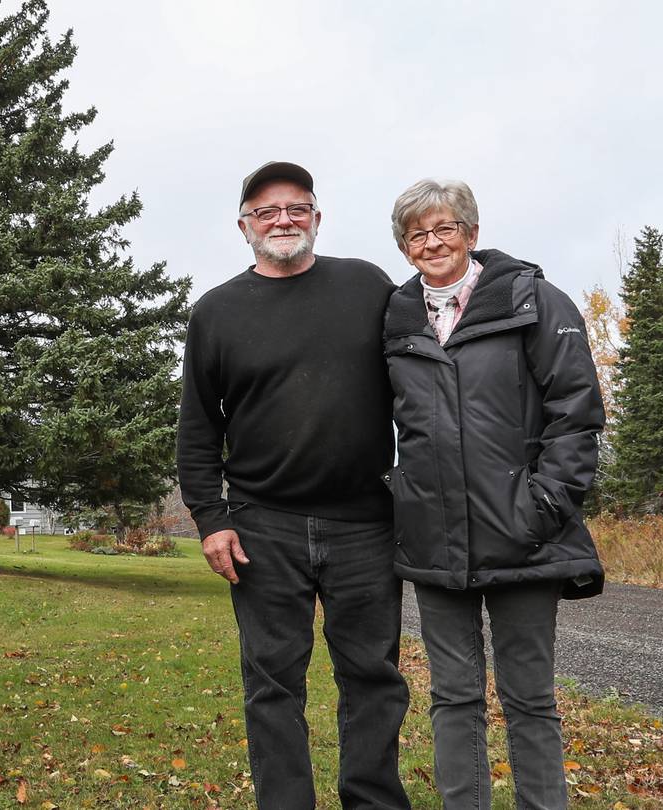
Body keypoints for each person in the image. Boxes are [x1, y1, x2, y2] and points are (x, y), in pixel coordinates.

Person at [177, 161, 410, 810]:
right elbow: (197, 430)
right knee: (273, 685)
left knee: (373, 679)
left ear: (316, 217)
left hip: (366, 522)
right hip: (262, 527)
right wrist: (210, 518)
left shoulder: (366, 286)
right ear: (244, 226)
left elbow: (422, 377)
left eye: (296, 208)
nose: (283, 219)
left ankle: (375, 802)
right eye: (267, 211)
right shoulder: (216, 312)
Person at [382, 178, 605, 810]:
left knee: (529, 699)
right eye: (417, 234)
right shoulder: (396, 318)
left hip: (526, 535)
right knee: (452, 697)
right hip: (435, 541)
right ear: (405, 247)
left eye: (445, 228)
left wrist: (541, 506)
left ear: (472, 234)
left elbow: (577, 411)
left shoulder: (534, 300)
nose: (432, 242)